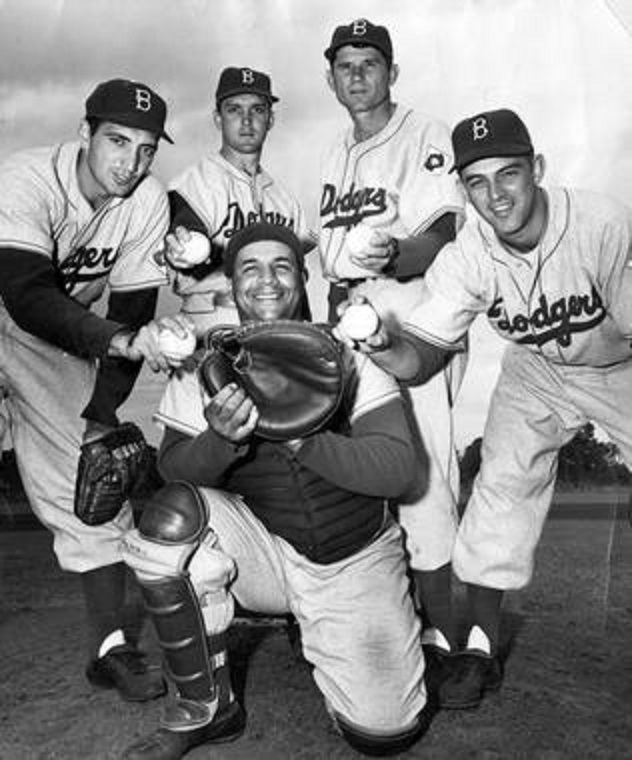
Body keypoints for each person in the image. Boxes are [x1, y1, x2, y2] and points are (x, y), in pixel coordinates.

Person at [119, 222, 434, 760]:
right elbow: (174, 471)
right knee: (171, 518)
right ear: (233, 282)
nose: (267, 280)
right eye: (250, 268)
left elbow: (401, 471)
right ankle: (206, 705)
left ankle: (350, 629)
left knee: (384, 733)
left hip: (351, 557)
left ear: (301, 277)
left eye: (282, 266)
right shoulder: (202, 362)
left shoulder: (346, 353)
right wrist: (220, 440)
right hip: (266, 553)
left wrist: (299, 435)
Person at [352, 107, 632, 709]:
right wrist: (384, 344)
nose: (495, 195)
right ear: (462, 189)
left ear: (537, 168)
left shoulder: (602, 223)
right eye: (477, 182)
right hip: (535, 370)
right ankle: (478, 646)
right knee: (500, 488)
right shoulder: (470, 250)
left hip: (618, 367)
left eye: (508, 174)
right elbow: (425, 353)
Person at [0, 78, 190, 702]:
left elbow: (132, 313)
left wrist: (101, 416)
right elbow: (26, 297)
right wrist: (113, 340)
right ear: (83, 134)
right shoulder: (25, 178)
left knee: (95, 473)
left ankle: (110, 645)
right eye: (116, 141)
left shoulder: (145, 200)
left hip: (54, 338)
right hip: (24, 311)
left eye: (144, 149)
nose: (130, 163)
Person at [318, 18, 467, 665]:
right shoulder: (331, 154)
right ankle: (393, 624)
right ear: (331, 78)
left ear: (392, 72)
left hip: (414, 322)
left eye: (369, 63)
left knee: (425, 485)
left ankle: (451, 641)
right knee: (366, 482)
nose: (357, 75)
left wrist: (399, 252)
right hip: (353, 333)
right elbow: (329, 264)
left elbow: (442, 234)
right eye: (345, 65)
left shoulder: (425, 133)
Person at [163, 66, 313, 336]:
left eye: (257, 109)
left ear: (270, 119)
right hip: (210, 324)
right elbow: (184, 237)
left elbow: (297, 285)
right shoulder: (191, 185)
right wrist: (180, 252)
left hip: (277, 328)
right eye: (234, 109)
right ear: (218, 118)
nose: (246, 120)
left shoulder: (286, 201)